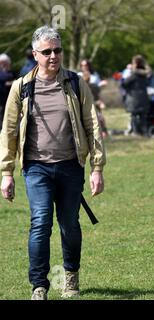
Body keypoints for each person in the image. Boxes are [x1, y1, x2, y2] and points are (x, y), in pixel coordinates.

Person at [0, 25, 106, 300]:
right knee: (40, 222)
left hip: (71, 165)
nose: (53, 56)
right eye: (46, 52)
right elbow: (9, 130)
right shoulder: (21, 87)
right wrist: (6, 172)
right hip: (36, 168)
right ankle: (39, 286)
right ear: (35, 54)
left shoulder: (74, 82)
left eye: (57, 50)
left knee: (69, 223)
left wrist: (97, 167)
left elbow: (92, 125)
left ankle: (70, 276)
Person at [121, 55, 151, 136]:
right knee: (143, 116)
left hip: (134, 98)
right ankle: (145, 132)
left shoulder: (134, 75)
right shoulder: (146, 74)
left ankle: (136, 132)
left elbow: (124, 84)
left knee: (134, 116)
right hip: (144, 97)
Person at [0, 53, 15, 131]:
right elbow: (4, 79)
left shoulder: (11, 73)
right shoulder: (3, 73)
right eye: (1, 62)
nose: (3, 64)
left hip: (9, 99)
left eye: (4, 62)